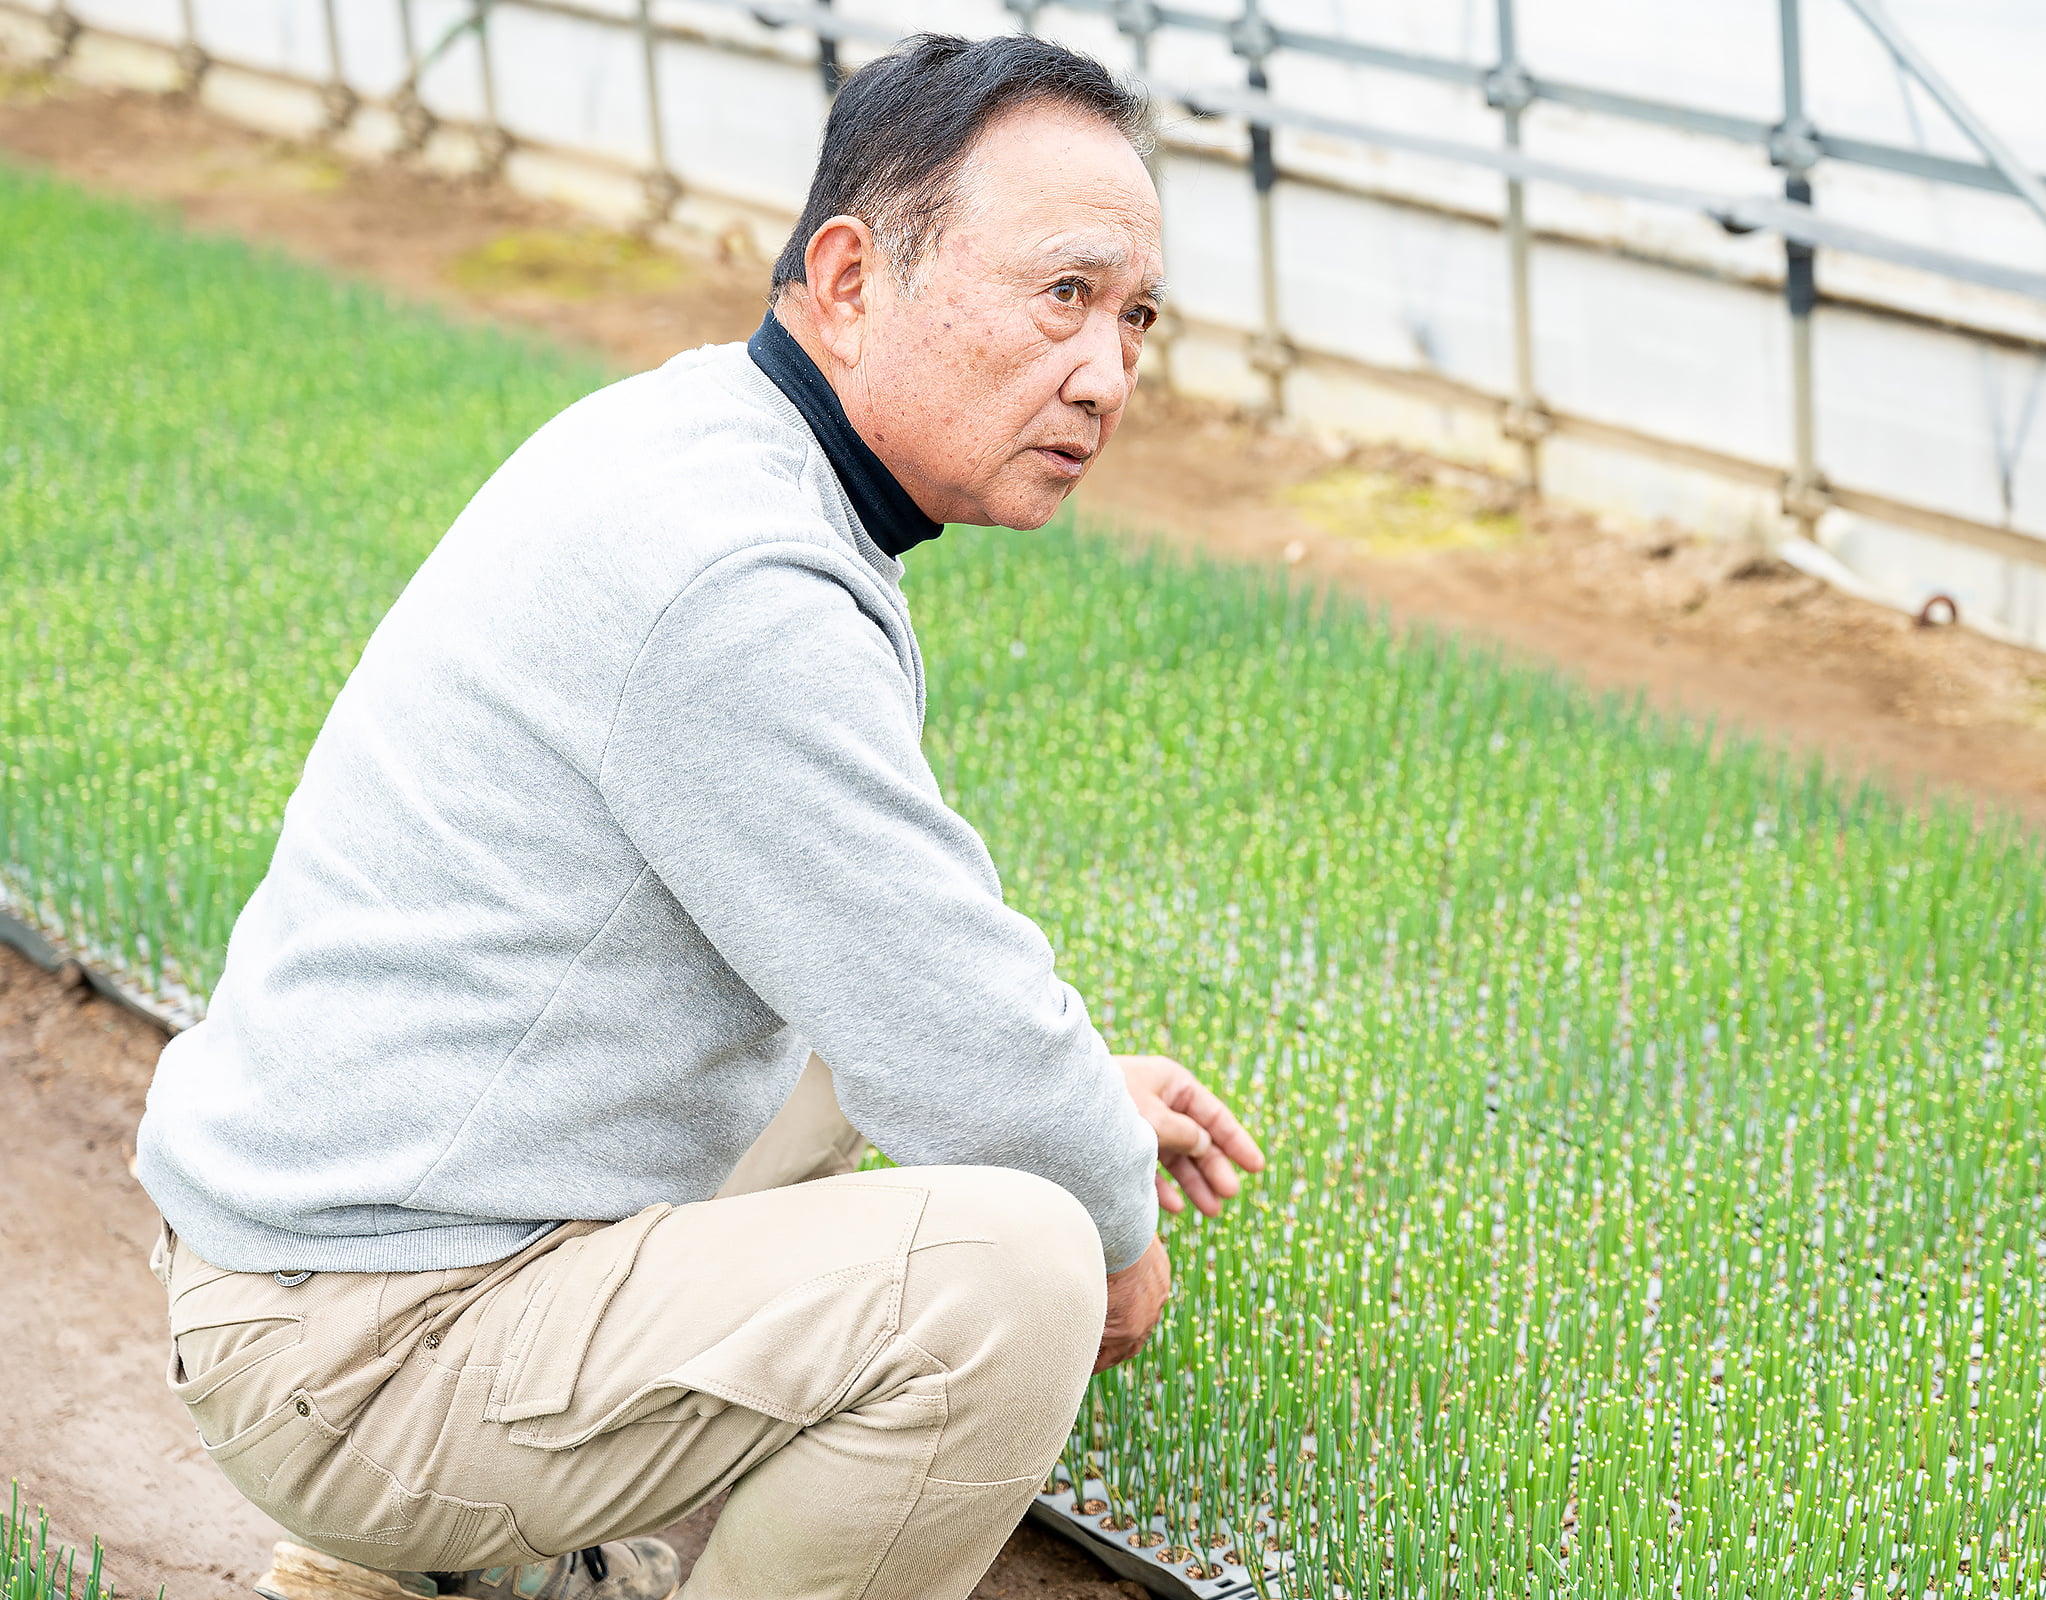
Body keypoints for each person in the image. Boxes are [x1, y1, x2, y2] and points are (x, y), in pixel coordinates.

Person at [134, 31, 1265, 1600]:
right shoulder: (735, 574)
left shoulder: (705, 437)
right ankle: (415, 1544)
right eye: (1062, 295)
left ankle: (407, 1582)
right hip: (354, 1345)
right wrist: (1108, 1216)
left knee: (868, 1037)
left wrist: (1063, 1093)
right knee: (1014, 1276)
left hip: (329, 1269)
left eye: (1135, 318)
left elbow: (916, 975)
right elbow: (954, 1030)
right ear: (855, 279)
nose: (1107, 371)